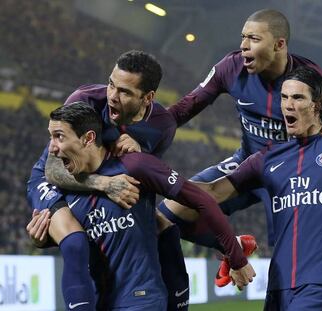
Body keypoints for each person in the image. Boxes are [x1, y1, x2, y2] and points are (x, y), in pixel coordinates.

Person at [173, 66, 322, 310]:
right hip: (278, 286)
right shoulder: (268, 157)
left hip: (321, 282)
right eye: (284, 97)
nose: (288, 104)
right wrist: (158, 178)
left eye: (298, 97)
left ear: (317, 105)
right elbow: (214, 192)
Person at [159, 8, 322, 286]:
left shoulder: (314, 80)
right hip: (248, 163)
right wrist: (144, 135)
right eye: (242, 37)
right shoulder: (231, 67)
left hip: (291, 176)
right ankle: (233, 247)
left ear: (279, 44)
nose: (243, 46)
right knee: (169, 214)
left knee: (292, 261)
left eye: (253, 38)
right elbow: (186, 107)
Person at [36, 102, 255, 310]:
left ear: (88, 138)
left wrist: (234, 255)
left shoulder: (135, 165)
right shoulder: (65, 186)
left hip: (141, 299)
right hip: (99, 302)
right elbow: (75, 236)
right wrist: (41, 239)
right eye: (51, 137)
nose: (51, 149)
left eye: (59, 137)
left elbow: (201, 199)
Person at [26, 50, 183, 310]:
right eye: (111, 84)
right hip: (49, 179)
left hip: (91, 178)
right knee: (75, 242)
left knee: (164, 228)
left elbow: (143, 174)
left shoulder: (162, 127)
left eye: (124, 91)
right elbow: (53, 168)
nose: (112, 95)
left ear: (147, 98)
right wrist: (104, 184)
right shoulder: (84, 100)